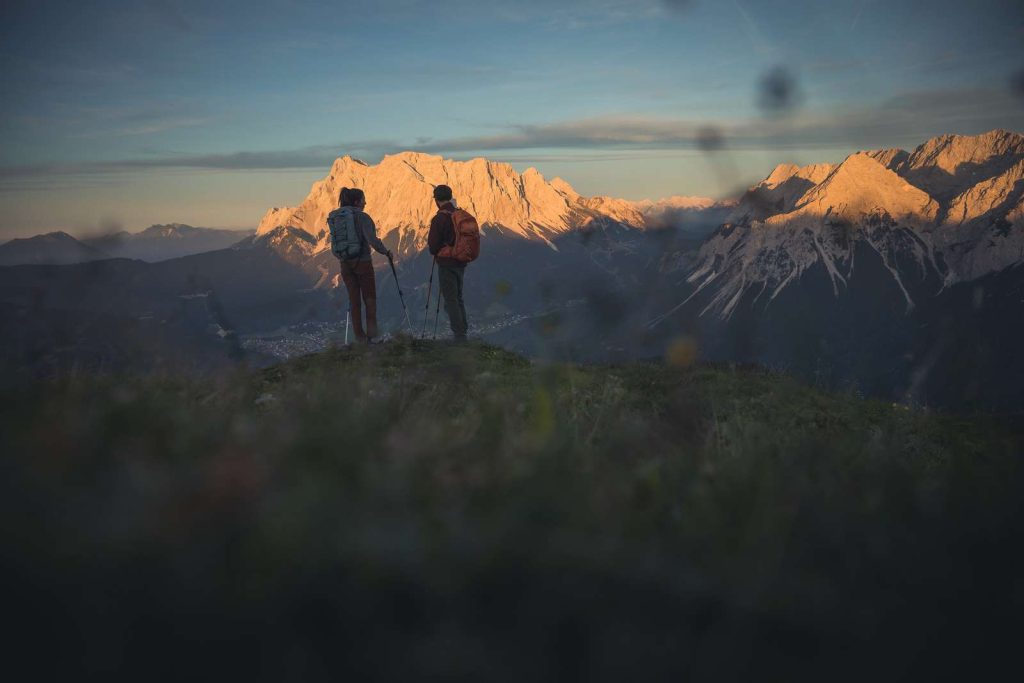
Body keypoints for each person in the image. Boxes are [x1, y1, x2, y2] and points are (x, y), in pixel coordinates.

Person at [327, 187, 392, 343]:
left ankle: (359, 338)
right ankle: (372, 336)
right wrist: (386, 252)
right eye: (363, 200)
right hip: (362, 262)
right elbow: (372, 240)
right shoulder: (362, 217)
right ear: (357, 202)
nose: (365, 202)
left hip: (345, 264)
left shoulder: (337, 217)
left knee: (354, 301)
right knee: (369, 299)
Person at [427, 185, 469, 341]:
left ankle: (459, 335)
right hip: (461, 262)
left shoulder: (440, 218)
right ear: (450, 197)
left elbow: (433, 246)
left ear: (436, 201)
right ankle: (463, 330)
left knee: (450, 299)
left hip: (447, 263)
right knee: (458, 297)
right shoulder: (459, 214)